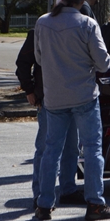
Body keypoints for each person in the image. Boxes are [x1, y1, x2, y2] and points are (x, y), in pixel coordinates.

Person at [34, 0, 110, 221]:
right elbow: (103, 63)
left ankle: (44, 203)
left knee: (52, 150)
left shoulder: (43, 22)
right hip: (83, 95)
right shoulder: (87, 24)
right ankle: (94, 203)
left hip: (54, 96)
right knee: (92, 149)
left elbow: (39, 59)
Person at [15, 30, 84, 211]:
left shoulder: (76, 29)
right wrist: (29, 90)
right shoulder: (40, 30)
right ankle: (40, 195)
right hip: (48, 98)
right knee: (46, 148)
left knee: (71, 146)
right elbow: (22, 63)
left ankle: (68, 189)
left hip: (74, 97)